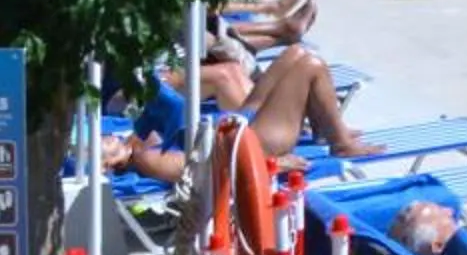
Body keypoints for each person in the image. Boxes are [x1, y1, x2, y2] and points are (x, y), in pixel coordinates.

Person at [100, 47, 376, 180]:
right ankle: (341, 143)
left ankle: (323, 125)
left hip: (238, 123)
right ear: (110, 164)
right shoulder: (147, 158)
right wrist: (271, 165)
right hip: (250, 143)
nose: (104, 139)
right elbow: (203, 170)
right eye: (102, 148)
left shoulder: (136, 134)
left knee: (296, 53)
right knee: (310, 66)